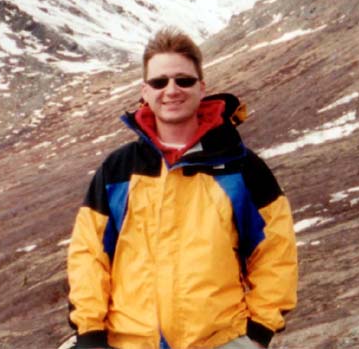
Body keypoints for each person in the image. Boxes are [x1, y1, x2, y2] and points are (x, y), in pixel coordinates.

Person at [66, 27, 298, 349]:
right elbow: (89, 255)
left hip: (219, 341)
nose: (171, 90)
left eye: (183, 80)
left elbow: (275, 254)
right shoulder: (118, 169)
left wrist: (257, 334)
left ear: (201, 88)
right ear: (145, 92)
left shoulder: (242, 168)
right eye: (159, 82)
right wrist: (90, 333)